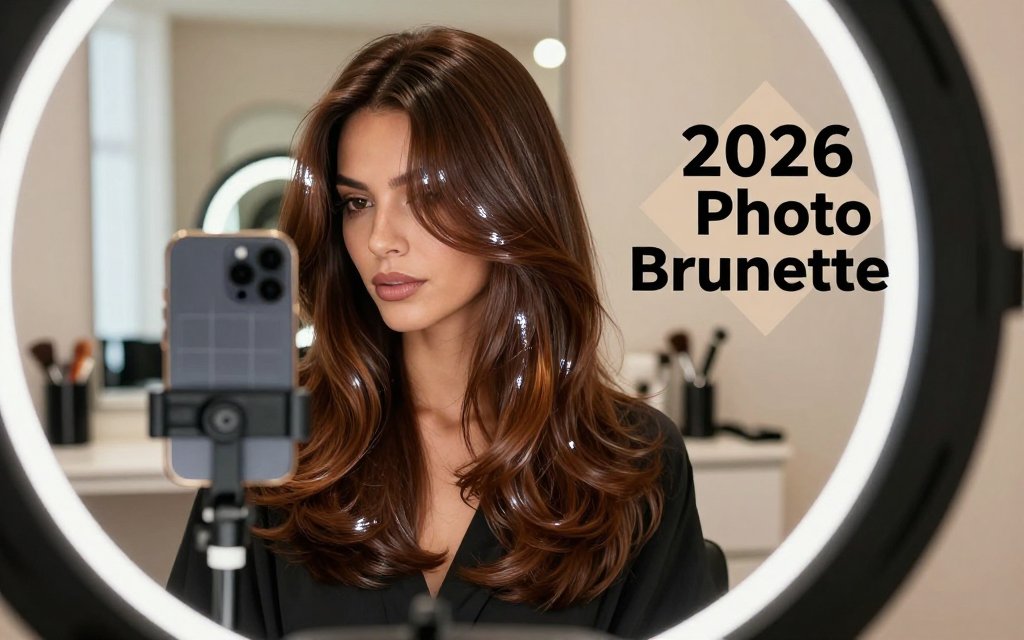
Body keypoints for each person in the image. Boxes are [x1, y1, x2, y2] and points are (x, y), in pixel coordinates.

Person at [167, 25, 718, 640]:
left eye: (425, 193)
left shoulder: (630, 461)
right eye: (357, 202)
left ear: (512, 200)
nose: (381, 240)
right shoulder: (273, 438)